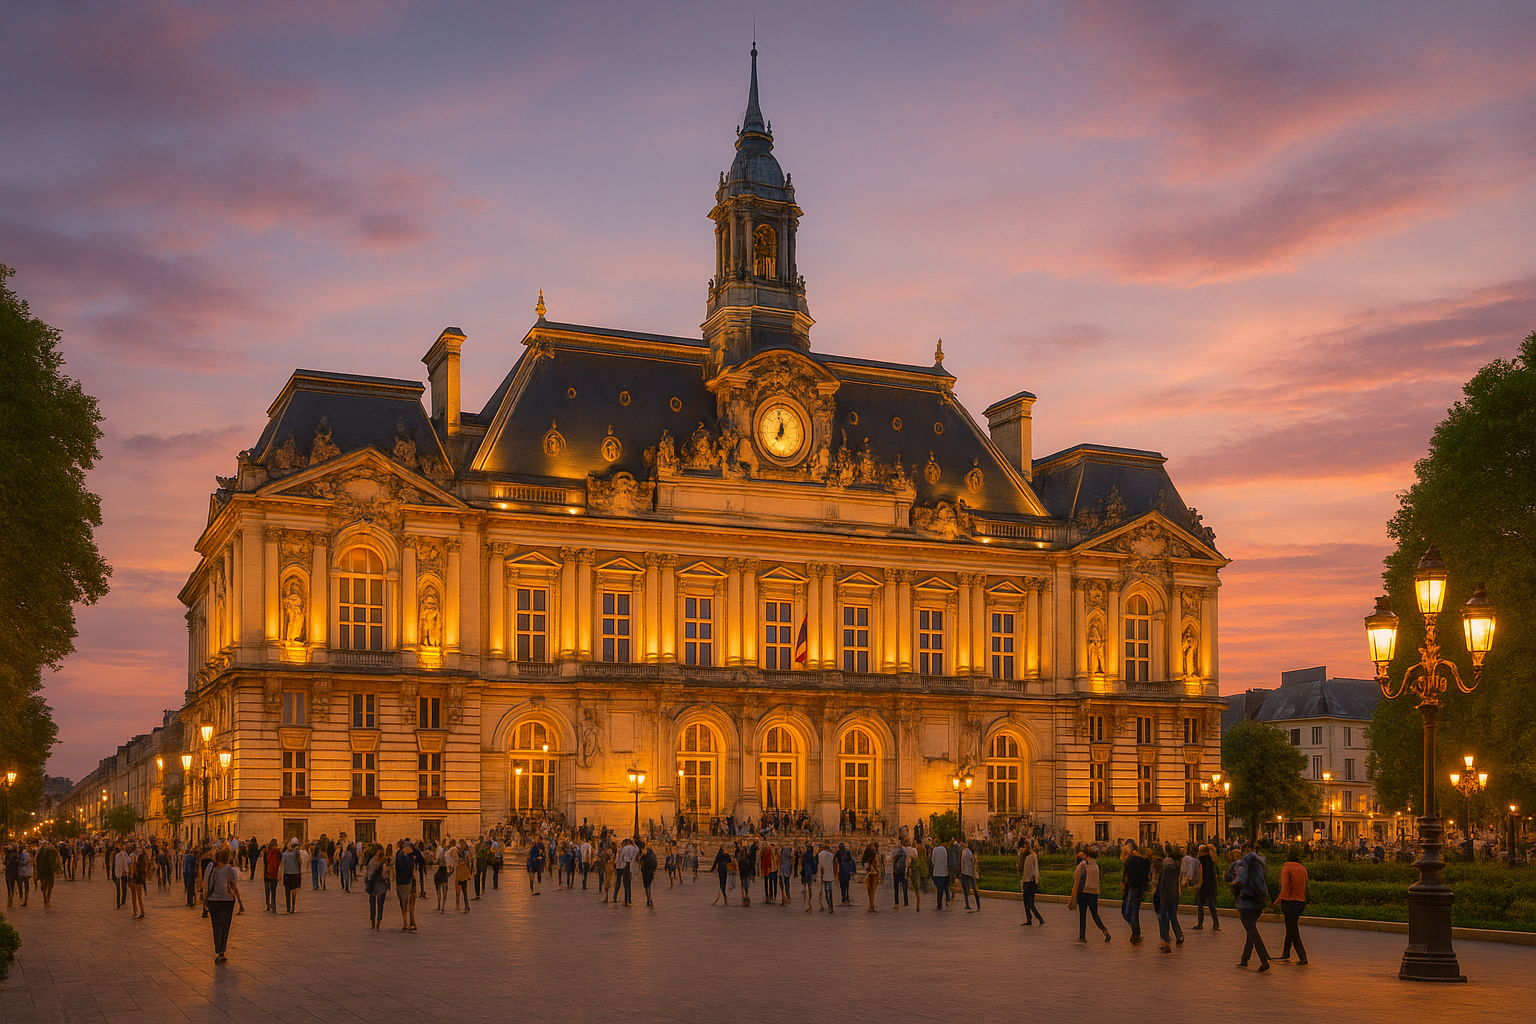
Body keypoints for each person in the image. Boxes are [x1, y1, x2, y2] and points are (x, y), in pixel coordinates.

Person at [1234, 843, 1273, 971]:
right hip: (1259, 899)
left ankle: (1263, 960)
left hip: (1246, 901)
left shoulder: (1243, 864)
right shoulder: (1262, 864)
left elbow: (1240, 881)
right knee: (1251, 929)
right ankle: (1245, 959)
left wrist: (1234, 886)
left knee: (1251, 930)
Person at [202, 847, 240, 964]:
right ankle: (222, 951)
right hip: (227, 901)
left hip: (213, 900)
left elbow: (206, 885)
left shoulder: (211, 869)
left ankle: (218, 948)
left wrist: (205, 900)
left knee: (216, 926)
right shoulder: (231, 870)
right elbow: (234, 884)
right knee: (225, 926)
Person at [1069, 848, 1111, 943]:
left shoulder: (1083, 865)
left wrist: (1074, 893)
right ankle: (1105, 931)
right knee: (1095, 914)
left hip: (1083, 892)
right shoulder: (1096, 866)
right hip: (1094, 893)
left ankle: (1082, 936)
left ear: (1087, 856)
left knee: (1082, 915)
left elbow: (1077, 878)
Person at [1276, 848, 1309, 965]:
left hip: (1290, 901)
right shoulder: (1302, 868)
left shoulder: (1287, 868)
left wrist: (1279, 899)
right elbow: (1305, 883)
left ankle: (1302, 957)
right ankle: (1286, 952)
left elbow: (1285, 886)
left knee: (1292, 929)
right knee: (1291, 926)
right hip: (1301, 901)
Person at [1153, 843, 1184, 953]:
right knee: (1172, 916)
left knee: (1163, 916)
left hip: (1165, 896)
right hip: (1174, 895)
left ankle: (1165, 940)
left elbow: (1163, 884)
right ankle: (1179, 935)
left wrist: (1158, 894)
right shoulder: (1176, 868)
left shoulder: (1167, 869)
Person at [1121, 842, 1150, 944]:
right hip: (1137, 888)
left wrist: (1124, 886)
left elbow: (1126, 875)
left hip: (1133, 888)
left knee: (1128, 912)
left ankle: (1136, 933)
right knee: (1133, 912)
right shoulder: (1142, 860)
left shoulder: (1132, 860)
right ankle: (1136, 933)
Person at [363, 844, 390, 930]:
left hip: (372, 886)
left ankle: (373, 923)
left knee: (372, 905)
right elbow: (385, 875)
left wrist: (367, 882)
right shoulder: (383, 865)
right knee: (380, 905)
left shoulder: (372, 861)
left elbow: (368, 874)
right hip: (381, 886)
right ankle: (378, 923)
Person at [394, 840, 418, 931]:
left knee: (407, 901)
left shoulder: (401, 855)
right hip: (406, 881)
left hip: (404, 881)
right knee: (407, 901)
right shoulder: (404, 856)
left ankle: (409, 921)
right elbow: (407, 868)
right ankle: (408, 922)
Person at [1194, 844, 1220, 930]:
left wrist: (1198, 884)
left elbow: (1202, 874)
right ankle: (1215, 923)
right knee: (1211, 904)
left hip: (1204, 885)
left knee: (1200, 904)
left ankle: (1200, 923)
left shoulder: (1201, 862)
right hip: (1210, 886)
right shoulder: (1211, 861)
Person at [1018, 841, 1044, 925]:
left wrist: (1034, 877)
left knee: (1029, 903)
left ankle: (1038, 918)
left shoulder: (1030, 857)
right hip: (1029, 881)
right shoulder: (1031, 856)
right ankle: (1031, 919)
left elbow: (1033, 869)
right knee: (1028, 903)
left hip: (1029, 882)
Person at [35, 841, 61, 910]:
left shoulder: (39, 852)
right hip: (50, 871)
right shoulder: (53, 851)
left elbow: (36, 862)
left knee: (44, 887)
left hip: (42, 872)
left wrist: (36, 872)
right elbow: (57, 861)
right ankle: (47, 899)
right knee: (49, 886)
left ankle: (45, 899)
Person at [613, 836, 638, 906]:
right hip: (630, 866)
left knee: (621, 882)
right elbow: (637, 851)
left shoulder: (624, 848)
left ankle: (618, 897)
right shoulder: (634, 848)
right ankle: (629, 900)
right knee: (628, 883)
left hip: (623, 866)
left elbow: (621, 857)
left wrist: (617, 865)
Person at [281, 838, 303, 914]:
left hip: (287, 873)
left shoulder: (284, 854)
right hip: (295, 873)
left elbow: (282, 864)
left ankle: (288, 907)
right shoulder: (296, 854)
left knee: (287, 891)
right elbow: (300, 862)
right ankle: (293, 905)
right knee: (294, 890)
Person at [862, 840, 882, 912]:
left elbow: (864, 860)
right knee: (873, 889)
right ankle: (872, 903)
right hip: (874, 873)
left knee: (870, 889)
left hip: (870, 872)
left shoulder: (869, 852)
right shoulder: (876, 854)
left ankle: (871, 903)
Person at [959, 841, 980, 911]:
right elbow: (974, 865)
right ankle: (978, 905)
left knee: (966, 889)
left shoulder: (965, 852)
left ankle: (967, 904)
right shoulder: (972, 854)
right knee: (974, 889)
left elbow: (962, 862)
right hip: (971, 874)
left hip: (965, 873)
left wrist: (961, 870)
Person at [817, 843, 837, 913]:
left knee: (826, 890)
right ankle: (831, 906)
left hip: (823, 874)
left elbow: (820, 865)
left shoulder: (820, 855)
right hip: (830, 874)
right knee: (830, 890)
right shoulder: (831, 855)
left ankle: (829, 905)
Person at [454, 840, 473, 912]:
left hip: (462, 872)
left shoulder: (463, 852)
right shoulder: (464, 852)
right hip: (462, 872)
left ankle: (464, 906)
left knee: (463, 890)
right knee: (463, 890)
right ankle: (464, 906)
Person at [262, 840, 281, 912]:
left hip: (267, 873)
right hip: (275, 874)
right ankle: (274, 904)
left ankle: (267, 905)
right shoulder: (278, 852)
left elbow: (265, 863)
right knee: (273, 891)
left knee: (267, 890)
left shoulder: (266, 852)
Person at [930, 841, 950, 910]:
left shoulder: (935, 850)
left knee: (939, 888)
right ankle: (947, 899)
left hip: (937, 872)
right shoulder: (945, 850)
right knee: (944, 887)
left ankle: (939, 904)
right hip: (944, 872)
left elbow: (933, 861)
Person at [639, 839, 658, 907]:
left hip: (645, 869)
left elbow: (639, 860)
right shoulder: (651, 852)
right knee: (649, 884)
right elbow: (655, 861)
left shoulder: (642, 852)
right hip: (651, 869)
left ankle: (648, 898)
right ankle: (650, 897)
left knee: (646, 885)